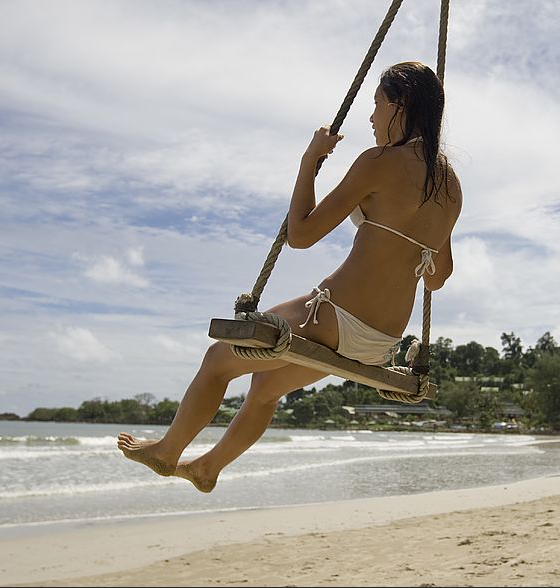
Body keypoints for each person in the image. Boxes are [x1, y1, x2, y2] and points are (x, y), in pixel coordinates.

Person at [118, 61, 463, 492]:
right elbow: (437, 278)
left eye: (376, 106)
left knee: (216, 363)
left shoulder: (380, 162)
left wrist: (309, 160)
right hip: (380, 342)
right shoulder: (450, 185)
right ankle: (207, 468)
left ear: (399, 104)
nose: (371, 118)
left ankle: (167, 451)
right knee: (264, 386)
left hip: (334, 319)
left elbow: (300, 235)